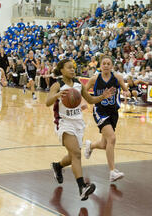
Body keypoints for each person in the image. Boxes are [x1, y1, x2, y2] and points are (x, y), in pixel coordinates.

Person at [46, 59, 115, 200]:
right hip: (64, 123)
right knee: (77, 154)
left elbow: (89, 100)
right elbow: (47, 102)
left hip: (78, 123)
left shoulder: (78, 84)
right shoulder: (57, 85)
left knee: (73, 156)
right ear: (61, 70)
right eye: (69, 68)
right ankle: (82, 187)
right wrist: (57, 95)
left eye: (73, 68)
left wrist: (103, 96)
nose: (72, 70)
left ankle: (58, 166)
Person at [84, 55, 129, 182]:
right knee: (112, 138)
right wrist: (84, 101)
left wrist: (127, 92)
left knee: (105, 144)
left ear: (112, 66)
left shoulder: (118, 78)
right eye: (104, 63)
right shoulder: (95, 79)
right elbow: (84, 91)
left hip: (113, 112)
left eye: (108, 63)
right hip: (100, 111)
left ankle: (90, 146)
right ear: (100, 65)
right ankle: (112, 171)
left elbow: (127, 91)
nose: (106, 65)